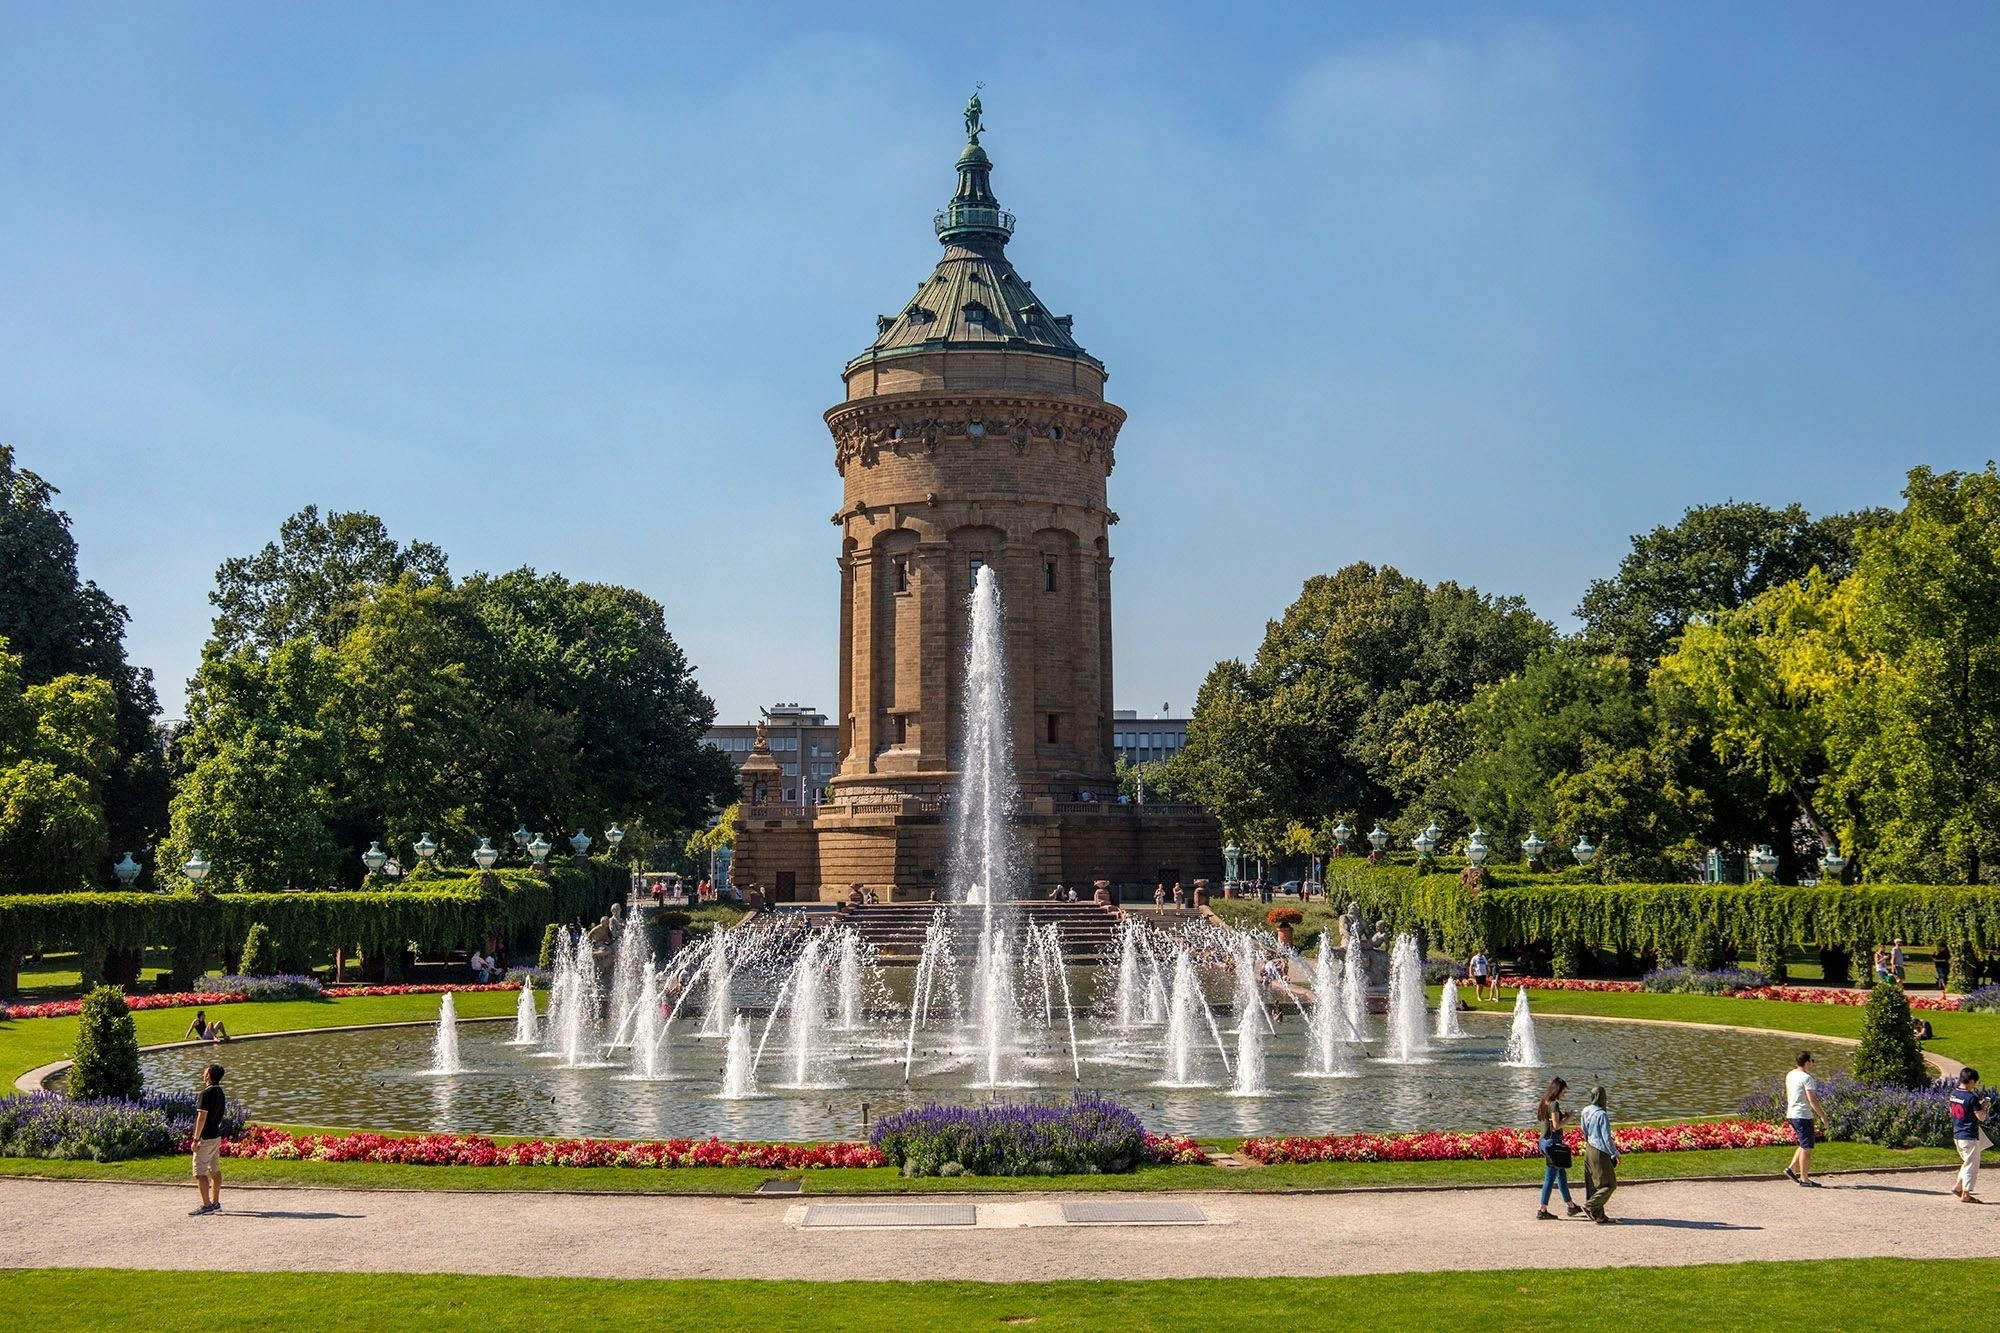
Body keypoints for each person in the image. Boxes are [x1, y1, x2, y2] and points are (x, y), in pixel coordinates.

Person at [1534, 1077, 1582, 1219]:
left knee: (1561, 1174)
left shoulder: (1544, 1102)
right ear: (1558, 1090)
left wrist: (1564, 1116)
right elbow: (1556, 1126)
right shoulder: (1554, 1104)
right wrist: (1570, 1117)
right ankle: (1542, 1210)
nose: (1564, 1094)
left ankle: (1571, 1205)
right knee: (1550, 1176)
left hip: (1544, 1141)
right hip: (1552, 1143)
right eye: (1563, 1092)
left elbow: (1548, 1122)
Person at [1784, 1050, 1827, 1187]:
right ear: (1807, 1062)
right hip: (1802, 1115)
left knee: (1804, 1144)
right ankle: (1804, 1179)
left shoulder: (1790, 1074)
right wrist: (1823, 1116)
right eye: (1812, 1061)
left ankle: (1791, 1169)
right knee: (1807, 1148)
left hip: (1792, 1113)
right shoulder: (1807, 1078)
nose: (1812, 1063)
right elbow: (1812, 1100)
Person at [1948, 1066, 1991, 1203]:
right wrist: (1983, 1106)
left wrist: (1976, 1106)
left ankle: (1958, 1187)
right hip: (1969, 1135)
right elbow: (1981, 1117)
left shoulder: (1954, 1094)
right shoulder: (1971, 1097)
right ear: (1971, 1081)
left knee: (1967, 1162)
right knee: (1972, 1165)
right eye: (1975, 1082)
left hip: (1957, 1133)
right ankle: (1965, 1193)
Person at [189, 1063, 226, 1215]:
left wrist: (196, 1139)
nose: (203, 1073)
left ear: (209, 1076)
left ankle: (206, 1205)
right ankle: (215, 1202)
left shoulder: (206, 1094)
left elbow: (201, 1117)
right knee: (215, 1169)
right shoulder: (220, 1092)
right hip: (216, 1135)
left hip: (205, 1137)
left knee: (200, 1172)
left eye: (205, 1072)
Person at [1579, 1085, 1620, 1223]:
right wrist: (1614, 1153)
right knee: (1609, 1184)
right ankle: (1589, 1206)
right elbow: (1606, 1137)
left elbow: (1584, 1130)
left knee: (1593, 1183)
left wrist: (1589, 1142)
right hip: (1600, 1151)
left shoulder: (1585, 1111)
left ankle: (1599, 1215)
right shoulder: (1602, 1114)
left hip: (1589, 1148)